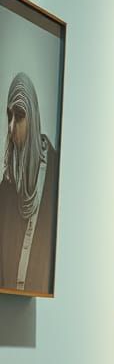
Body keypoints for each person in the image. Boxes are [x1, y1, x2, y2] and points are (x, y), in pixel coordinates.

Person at [0, 72, 60, 295]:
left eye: (19, 116)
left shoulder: (55, 175)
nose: (11, 127)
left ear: (32, 117)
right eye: (9, 116)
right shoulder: (6, 190)